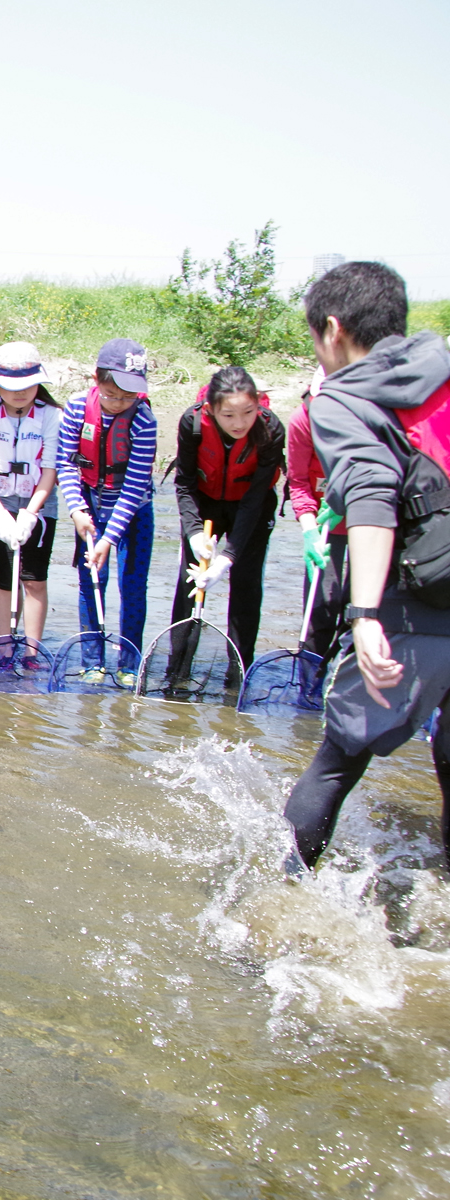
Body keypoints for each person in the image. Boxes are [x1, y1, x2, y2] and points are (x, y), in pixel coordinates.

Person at [281, 262, 450, 870]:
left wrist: (365, 613)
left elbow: (376, 496)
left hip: (420, 600)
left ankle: (278, 901)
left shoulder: (344, 398)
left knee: (337, 761)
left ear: (332, 328)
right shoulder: (443, 364)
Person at [170, 367, 285, 680]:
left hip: (252, 506)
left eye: (248, 412)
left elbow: (257, 497)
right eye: (229, 415)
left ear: (258, 405)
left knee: (247, 585)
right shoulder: (192, 423)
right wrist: (194, 534)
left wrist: (227, 556)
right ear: (211, 409)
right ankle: (177, 669)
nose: (240, 423)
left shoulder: (271, 429)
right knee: (191, 584)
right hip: (204, 503)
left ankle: (238, 673)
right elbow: (184, 484)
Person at [55, 339, 158, 682]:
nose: (120, 404)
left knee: (133, 586)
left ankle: (129, 665)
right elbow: (67, 465)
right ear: (97, 380)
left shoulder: (144, 420)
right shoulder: (76, 408)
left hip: (133, 512)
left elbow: (134, 487)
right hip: (90, 508)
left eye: (129, 397)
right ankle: (92, 663)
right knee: (91, 581)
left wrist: (108, 538)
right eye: (113, 395)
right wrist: (76, 510)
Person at [0, 342, 62, 646]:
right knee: (4, 580)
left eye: (27, 386)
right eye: (10, 387)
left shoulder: (52, 416)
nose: (19, 393)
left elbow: (50, 469)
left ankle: (33, 651)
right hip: (1, 505)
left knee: (34, 580)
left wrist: (31, 514)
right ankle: (4, 649)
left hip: (39, 508)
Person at [288, 366, 346, 658]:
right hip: (323, 520)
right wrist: (310, 530)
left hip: (369, 518)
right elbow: (298, 482)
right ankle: (309, 681)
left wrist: (348, 497)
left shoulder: (374, 418)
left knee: (362, 603)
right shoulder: (302, 421)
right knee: (322, 601)